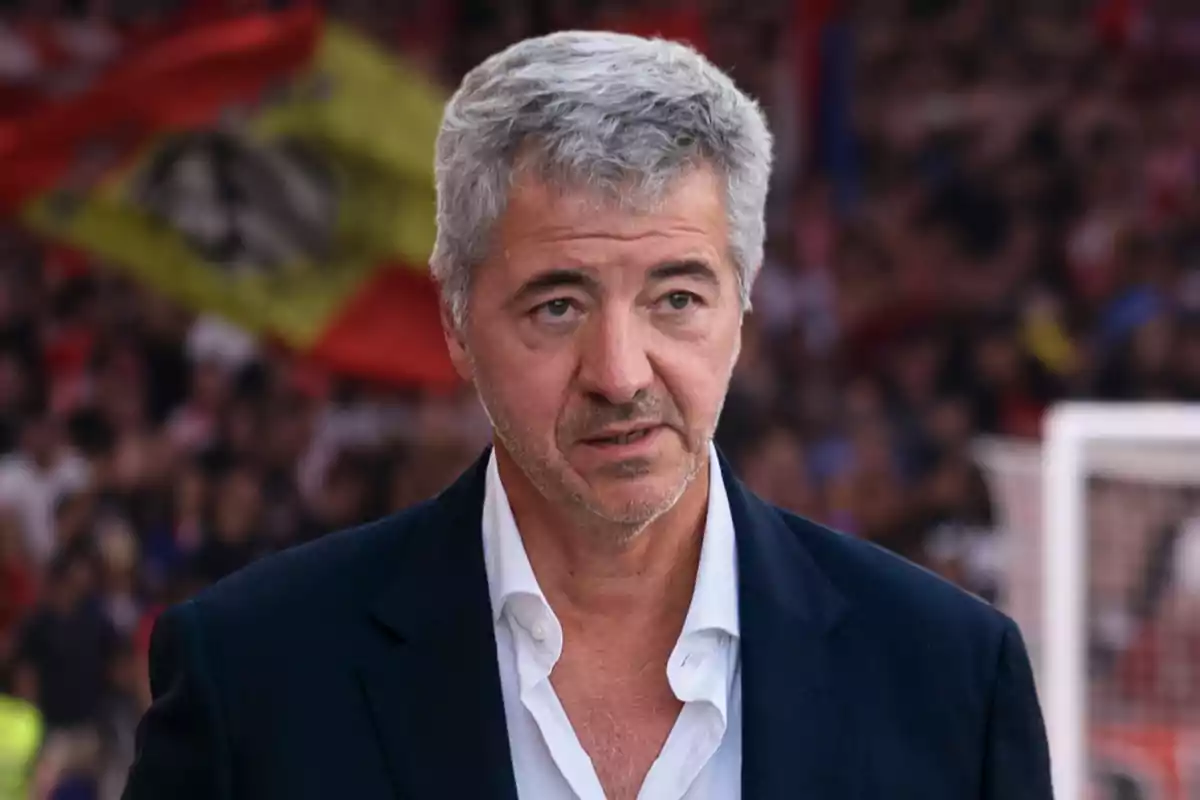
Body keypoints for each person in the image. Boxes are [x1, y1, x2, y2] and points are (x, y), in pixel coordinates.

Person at [122, 31, 1052, 800]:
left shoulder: (952, 679)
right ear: (456, 321)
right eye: (557, 305)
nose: (619, 372)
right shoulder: (252, 677)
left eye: (676, 298)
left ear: (747, 305)